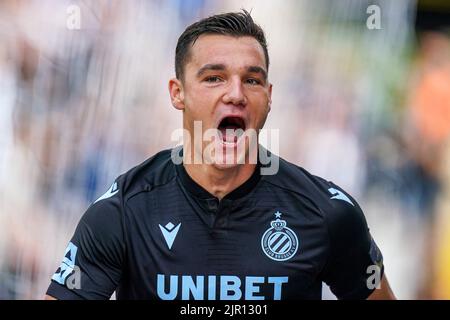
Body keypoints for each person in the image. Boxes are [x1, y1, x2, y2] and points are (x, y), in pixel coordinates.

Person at [45, 10, 395, 300]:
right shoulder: (124, 211)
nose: (236, 94)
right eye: (214, 78)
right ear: (177, 93)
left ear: (269, 97)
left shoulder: (328, 212)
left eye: (253, 80)